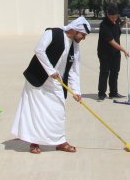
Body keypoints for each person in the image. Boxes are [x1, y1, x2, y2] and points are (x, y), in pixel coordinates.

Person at [11, 16, 90, 154]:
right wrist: (50, 70)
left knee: (58, 111)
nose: (83, 38)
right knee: (35, 112)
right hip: (39, 78)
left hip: (56, 83)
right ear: (74, 29)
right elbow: (39, 50)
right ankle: (34, 142)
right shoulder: (53, 33)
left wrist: (77, 91)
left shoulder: (75, 47)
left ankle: (60, 142)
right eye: (83, 35)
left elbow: (74, 69)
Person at [97, 6, 130, 101]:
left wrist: (124, 23)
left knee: (115, 72)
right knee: (105, 72)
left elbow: (117, 29)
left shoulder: (117, 19)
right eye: (112, 17)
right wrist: (124, 50)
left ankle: (113, 92)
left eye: (116, 17)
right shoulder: (104, 25)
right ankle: (101, 94)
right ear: (108, 15)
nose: (114, 19)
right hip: (104, 53)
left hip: (115, 52)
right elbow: (111, 41)